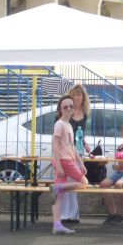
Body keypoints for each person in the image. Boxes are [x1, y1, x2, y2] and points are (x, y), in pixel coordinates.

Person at [51, 95, 89, 234]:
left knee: (59, 195)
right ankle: (58, 187)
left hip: (67, 160)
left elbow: (72, 146)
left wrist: (80, 162)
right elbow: (55, 144)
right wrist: (59, 165)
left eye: (71, 106)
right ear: (60, 109)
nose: (68, 109)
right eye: (65, 107)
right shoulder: (60, 124)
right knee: (84, 182)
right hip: (64, 160)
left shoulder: (68, 125)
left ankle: (57, 224)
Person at [59, 84, 91, 224]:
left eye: (79, 95)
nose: (76, 98)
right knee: (67, 182)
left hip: (78, 152)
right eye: (74, 95)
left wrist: (85, 143)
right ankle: (64, 214)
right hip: (65, 152)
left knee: (75, 182)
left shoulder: (85, 114)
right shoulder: (65, 113)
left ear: (83, 97)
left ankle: (73, 214)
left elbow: (80, 134)